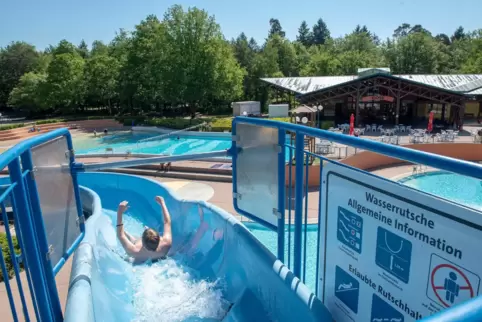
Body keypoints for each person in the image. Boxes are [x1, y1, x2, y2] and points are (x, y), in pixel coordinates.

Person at [116, 196, 172, 264]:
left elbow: (120, 235)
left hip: (138, 261)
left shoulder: (134, 250)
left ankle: (132, 238)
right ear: (159, 239)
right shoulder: (166, 244)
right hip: (158, 258)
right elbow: (167, 222)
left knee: (121, 255)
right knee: (132, 239)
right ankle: (131, 237)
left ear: (143, 242)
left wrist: (119, 212)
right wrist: (162, 203)